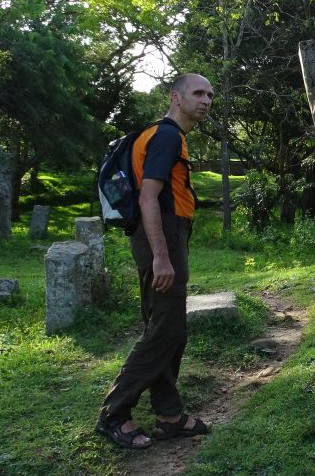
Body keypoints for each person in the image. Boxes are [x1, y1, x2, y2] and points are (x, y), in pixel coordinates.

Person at [96, 73, 215, 449]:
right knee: (166, 330)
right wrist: (163, 257)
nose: (206, 100)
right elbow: (149, 198)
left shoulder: (161, 135)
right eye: (198, 93)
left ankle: (169, 416)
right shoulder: (166, 136)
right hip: (161, 237)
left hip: (159, 235)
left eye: (210, 95)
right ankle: (114, 414)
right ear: (175, 98)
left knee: (165, 328)